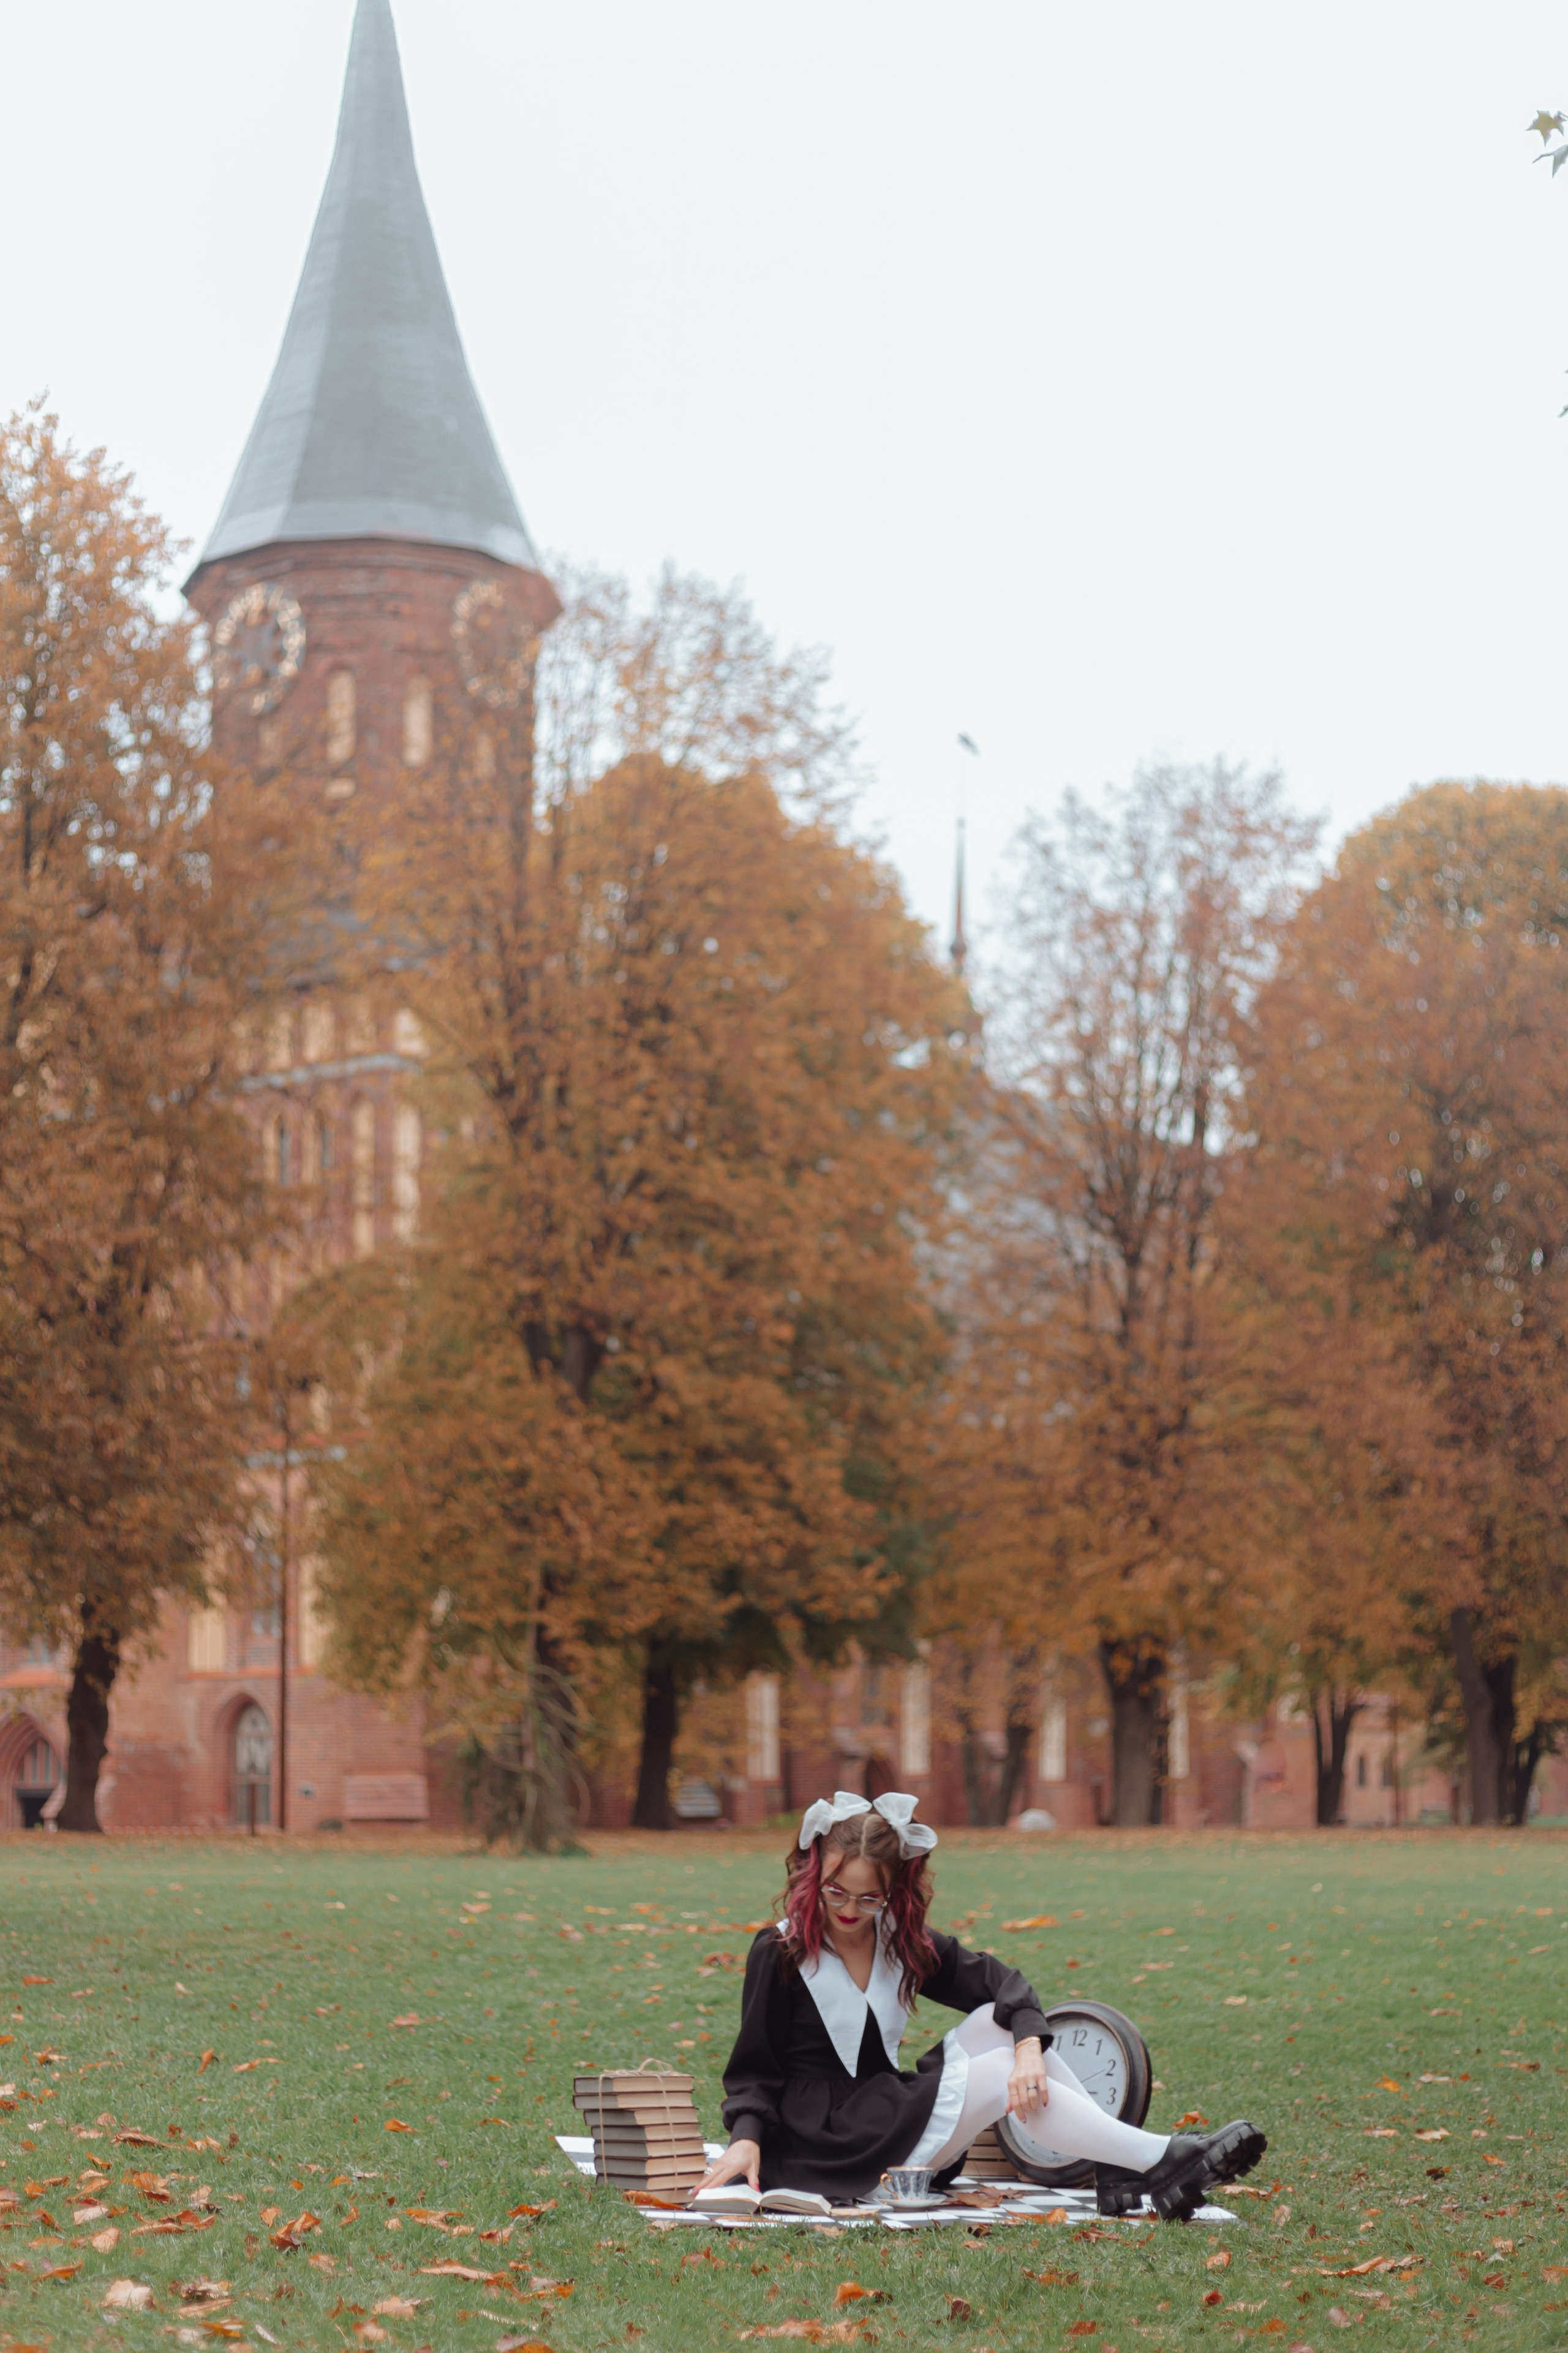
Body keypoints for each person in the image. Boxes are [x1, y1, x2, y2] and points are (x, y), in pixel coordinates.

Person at [696, 1789, 1265, 2221]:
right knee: (995, 2071)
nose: (849, 1909)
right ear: (815, 1874)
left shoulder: (899, 1938)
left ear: (894, 1890)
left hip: (882, 2110)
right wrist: (747, 2135)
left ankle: (1124, 2163)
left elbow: (1005, 1984)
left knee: (999, 2025)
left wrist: (1027, 2050)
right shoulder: (782, 1947)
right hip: (825, 2140)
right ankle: (1161, 2158)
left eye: (869, 1896)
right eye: (836, 1891)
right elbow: (754, 2065)